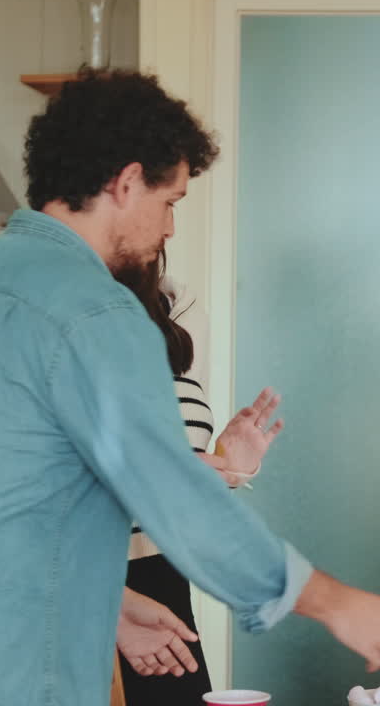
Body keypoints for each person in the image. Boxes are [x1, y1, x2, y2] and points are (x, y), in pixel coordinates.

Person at [0, 69, 380, 706]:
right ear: (128, 182)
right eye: (170, 202)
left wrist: (108, 603)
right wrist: (333, 602)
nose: (169, 228)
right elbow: (181, 503)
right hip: (2, 677)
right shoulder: (94, 311)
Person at [111, 257, 278, 699]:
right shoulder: (56, 307)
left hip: (161, 579)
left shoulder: (178, 308)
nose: (168, 226)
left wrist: (226, 466)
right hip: (78, 577)